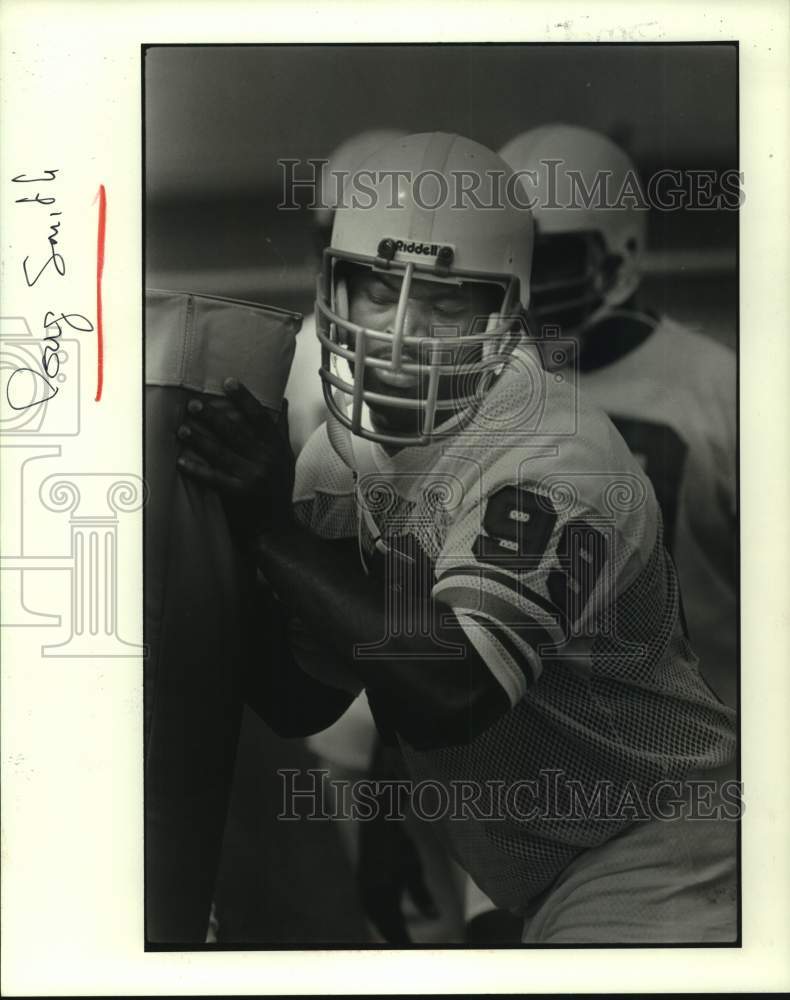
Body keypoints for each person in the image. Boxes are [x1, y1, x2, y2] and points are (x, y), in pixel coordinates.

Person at [176, 131, 737, 944]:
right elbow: (303, 696)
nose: (400, 332)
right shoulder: (343, 457)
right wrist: (226, 527)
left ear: (507, 314)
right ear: (330, 288)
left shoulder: (551, 450)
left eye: (445, 301)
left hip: (666, 855)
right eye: (376, 288)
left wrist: (272, 528)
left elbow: (451, 691)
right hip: (545, 867)